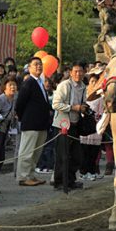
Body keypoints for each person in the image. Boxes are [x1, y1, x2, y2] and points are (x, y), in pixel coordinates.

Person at [15, 57, 51, 186]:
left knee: (36, 152)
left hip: (41, 123)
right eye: (35, 64)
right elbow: (20, 103)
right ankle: (23, 176)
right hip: (30, 123)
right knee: (27, 151)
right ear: (29, 67)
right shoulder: (28, 82)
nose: (38, 67)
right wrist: (23, 117)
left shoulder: (40, 82)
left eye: (40, 64)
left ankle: (30, 174)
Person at [51, 61, 87, 190]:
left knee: (76, 156)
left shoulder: (83, 86)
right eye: (75, 71)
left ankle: (70, 180)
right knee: (63, 155)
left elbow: (84, 103)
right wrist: (73, 107)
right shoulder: (65, 85)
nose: (78, 74)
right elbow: (55, 104)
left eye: (81, 71)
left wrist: (84, 107)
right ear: (71, 73)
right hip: (62, 125)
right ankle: (59, 182)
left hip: (75, 124)